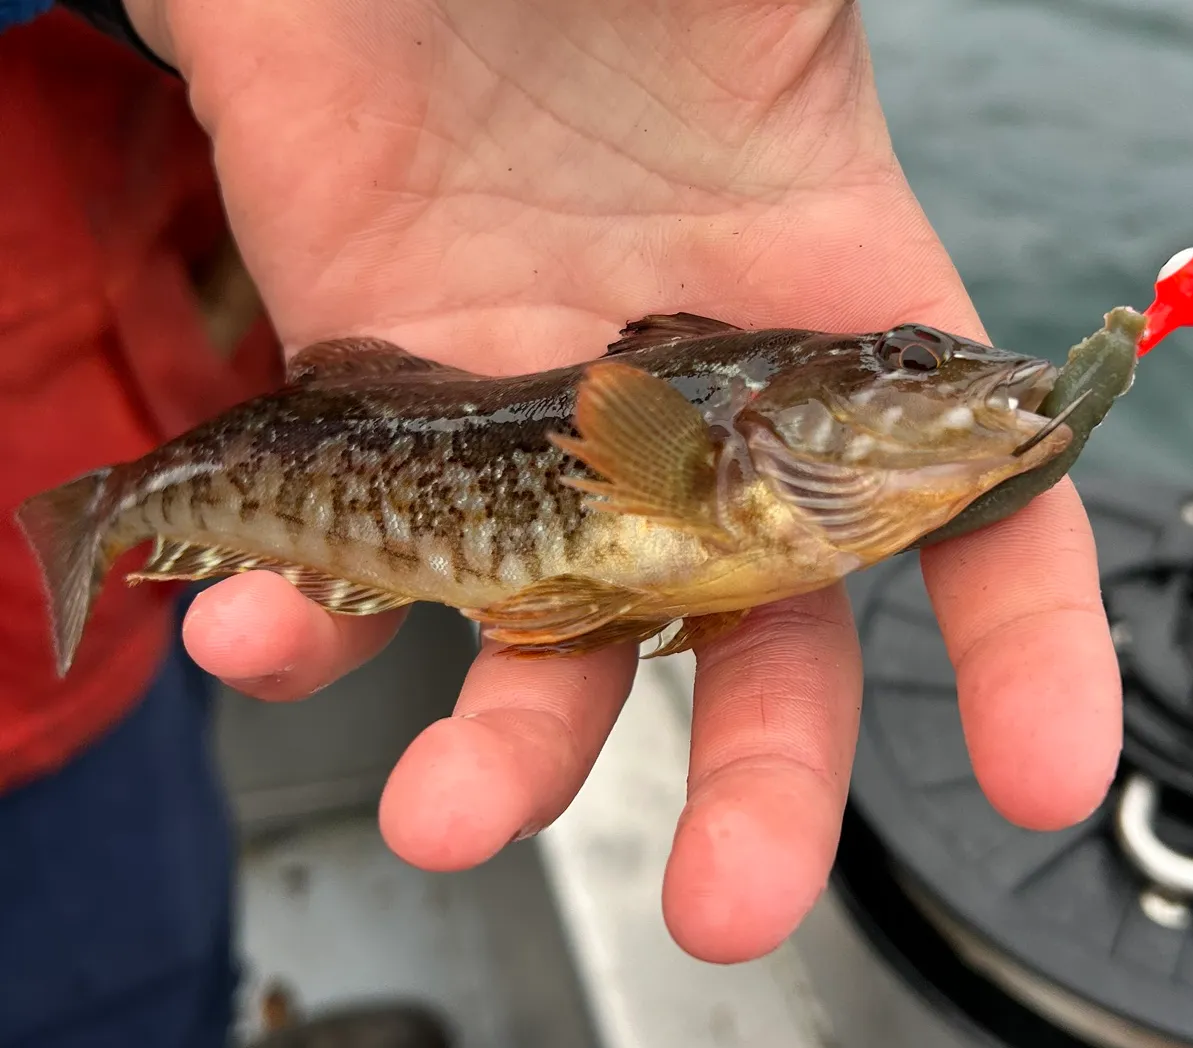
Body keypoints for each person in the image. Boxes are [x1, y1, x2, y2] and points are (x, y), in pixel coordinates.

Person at [0, 0, 1123, 1044]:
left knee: (171, 827)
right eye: (910, 361)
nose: (951, 377)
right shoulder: (721, 470)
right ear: (778, 417)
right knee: (109, 951)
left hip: (123, 288)